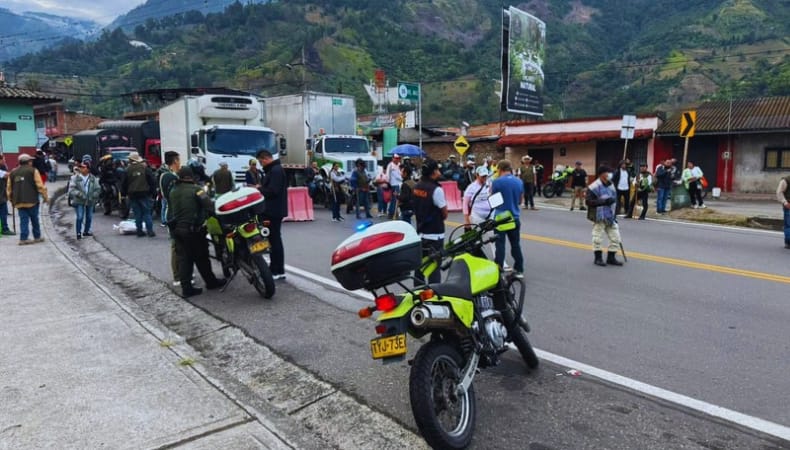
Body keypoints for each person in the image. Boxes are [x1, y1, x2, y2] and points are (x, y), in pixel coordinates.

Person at [167, 166, 226, 297]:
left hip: (178, 230)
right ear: (192, 177)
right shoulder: (197, 190)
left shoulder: (173, 190)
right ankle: (211, 282)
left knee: (184, 260)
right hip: (194, 231)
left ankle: (187, 288)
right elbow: (210, 206)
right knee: (202, 257)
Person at [413, 159, 448, 284]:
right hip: (435, 235)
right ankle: (434, 293)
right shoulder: (436, 190)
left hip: (420, 233)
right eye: (438, 170)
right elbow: (445, 213)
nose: (439, 172)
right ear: (433, 172)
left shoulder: (417, 187)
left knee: (420, 268)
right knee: (434, 269)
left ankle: (418, 291)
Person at [256, 149, 288, 280]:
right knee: (273, 239)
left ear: (265, 158)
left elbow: (273, 191)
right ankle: (276, 268)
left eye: (260, 162)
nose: (260, 164)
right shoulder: (275, 170)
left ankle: (277, 270)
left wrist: (259, 189)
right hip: (274, 209)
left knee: (274, 240)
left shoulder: (275, 171)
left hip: (273, 210)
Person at [491, 160, 524, 278]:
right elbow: (520, 201)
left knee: (500, 245)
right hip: (514, 217)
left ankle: (498, 270)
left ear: (500, 169)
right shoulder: (519, 181)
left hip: (501, 218)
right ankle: (519, 269)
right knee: (515, 244)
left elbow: (493, 200)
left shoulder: (496, 182)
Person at [585, 166, 623, 267]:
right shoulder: (593, 187)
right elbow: (588, 201)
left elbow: (615, 199)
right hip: (599, 216)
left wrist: (615, 213)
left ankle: (611, 258)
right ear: (601, 174)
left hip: (610, 216)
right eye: (607, 172)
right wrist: (604, 201)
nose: (609, 174)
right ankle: (598, 258)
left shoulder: (611, 185)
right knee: (597, 238)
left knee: (616, 238)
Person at [7, 154, 48, 245]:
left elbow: (9, 188)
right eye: (31, 160)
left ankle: (23, 238)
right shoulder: (33, 171)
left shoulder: (13, 172)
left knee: (23, 220)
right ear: (29, 162)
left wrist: (11, 199)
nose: (32, 162)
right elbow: (40, 186)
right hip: (32, 200)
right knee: (34, 219)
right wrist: (45, 197)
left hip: (19, 201)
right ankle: (37, 237)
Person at [160, 151, 184, 286]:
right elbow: (175, 196)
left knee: (179, 245)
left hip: (173, 212)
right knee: (176, 246)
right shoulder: (170, 177)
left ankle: (183, 272)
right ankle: (178, 276)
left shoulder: (164, 175)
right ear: (175, 161)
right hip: (174, 214)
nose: (180, 163)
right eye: (179, 160)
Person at [122, 151, 157, 237]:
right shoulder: (145, 168)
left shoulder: (127, 170)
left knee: (137, 214)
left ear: (130, 160)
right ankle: (150, 231)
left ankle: (139, 231)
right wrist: (154, 193)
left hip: (132, 194)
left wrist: (123, 194)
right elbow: (152, 181)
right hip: (144, 193)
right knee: (147, 213)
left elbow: (124, 183)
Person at [463, 166, 495, 257]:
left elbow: (492, 197)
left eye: (486, 176)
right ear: (477, 175)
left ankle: (499, 260)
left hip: (490, 215)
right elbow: (465, 204)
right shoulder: (471, 187)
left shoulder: (489, 184)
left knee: (493, 237)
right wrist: (466, 220)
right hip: (477, 216)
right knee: (477, 239)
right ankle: (476, 257)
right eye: (482, 176)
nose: (484, 178)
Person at [68, 162, 101, 239]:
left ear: (88, 169)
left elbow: (98, 189)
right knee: (80, 217)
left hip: (90, 200)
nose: (81, 168)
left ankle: (86, 231)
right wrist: (80, 194)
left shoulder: (93, 178)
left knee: (89, 217)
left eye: (83, 167)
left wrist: (93, 195)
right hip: (79, 200)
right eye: (80, 167)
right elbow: (71, 190)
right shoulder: (75, 178)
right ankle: (78, 233)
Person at [385, 154, 403, 219]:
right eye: (396, 158)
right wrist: (388, 183)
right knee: (394, 200)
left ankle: (394, 213)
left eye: (398, 158)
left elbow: (401, 173)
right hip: (394, 184)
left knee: (396, 200)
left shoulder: (399, 165)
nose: (397, 159)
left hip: (400, 184)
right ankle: (392, 213)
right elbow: (388, 175)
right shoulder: (390, 165)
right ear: (393, 158)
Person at [0, 156, 14, 236]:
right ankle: (5, 229)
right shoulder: (1, 170)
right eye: (3, 159)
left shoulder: (2, 168)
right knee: (3, 213)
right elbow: (7, 175)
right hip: (1, 197)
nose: (4, 161)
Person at [776, 176, 790, 249]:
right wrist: (785, 202)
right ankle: (788, 242)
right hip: (789, 206)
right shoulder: (786, 180)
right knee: (788, 224)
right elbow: (779, 192)